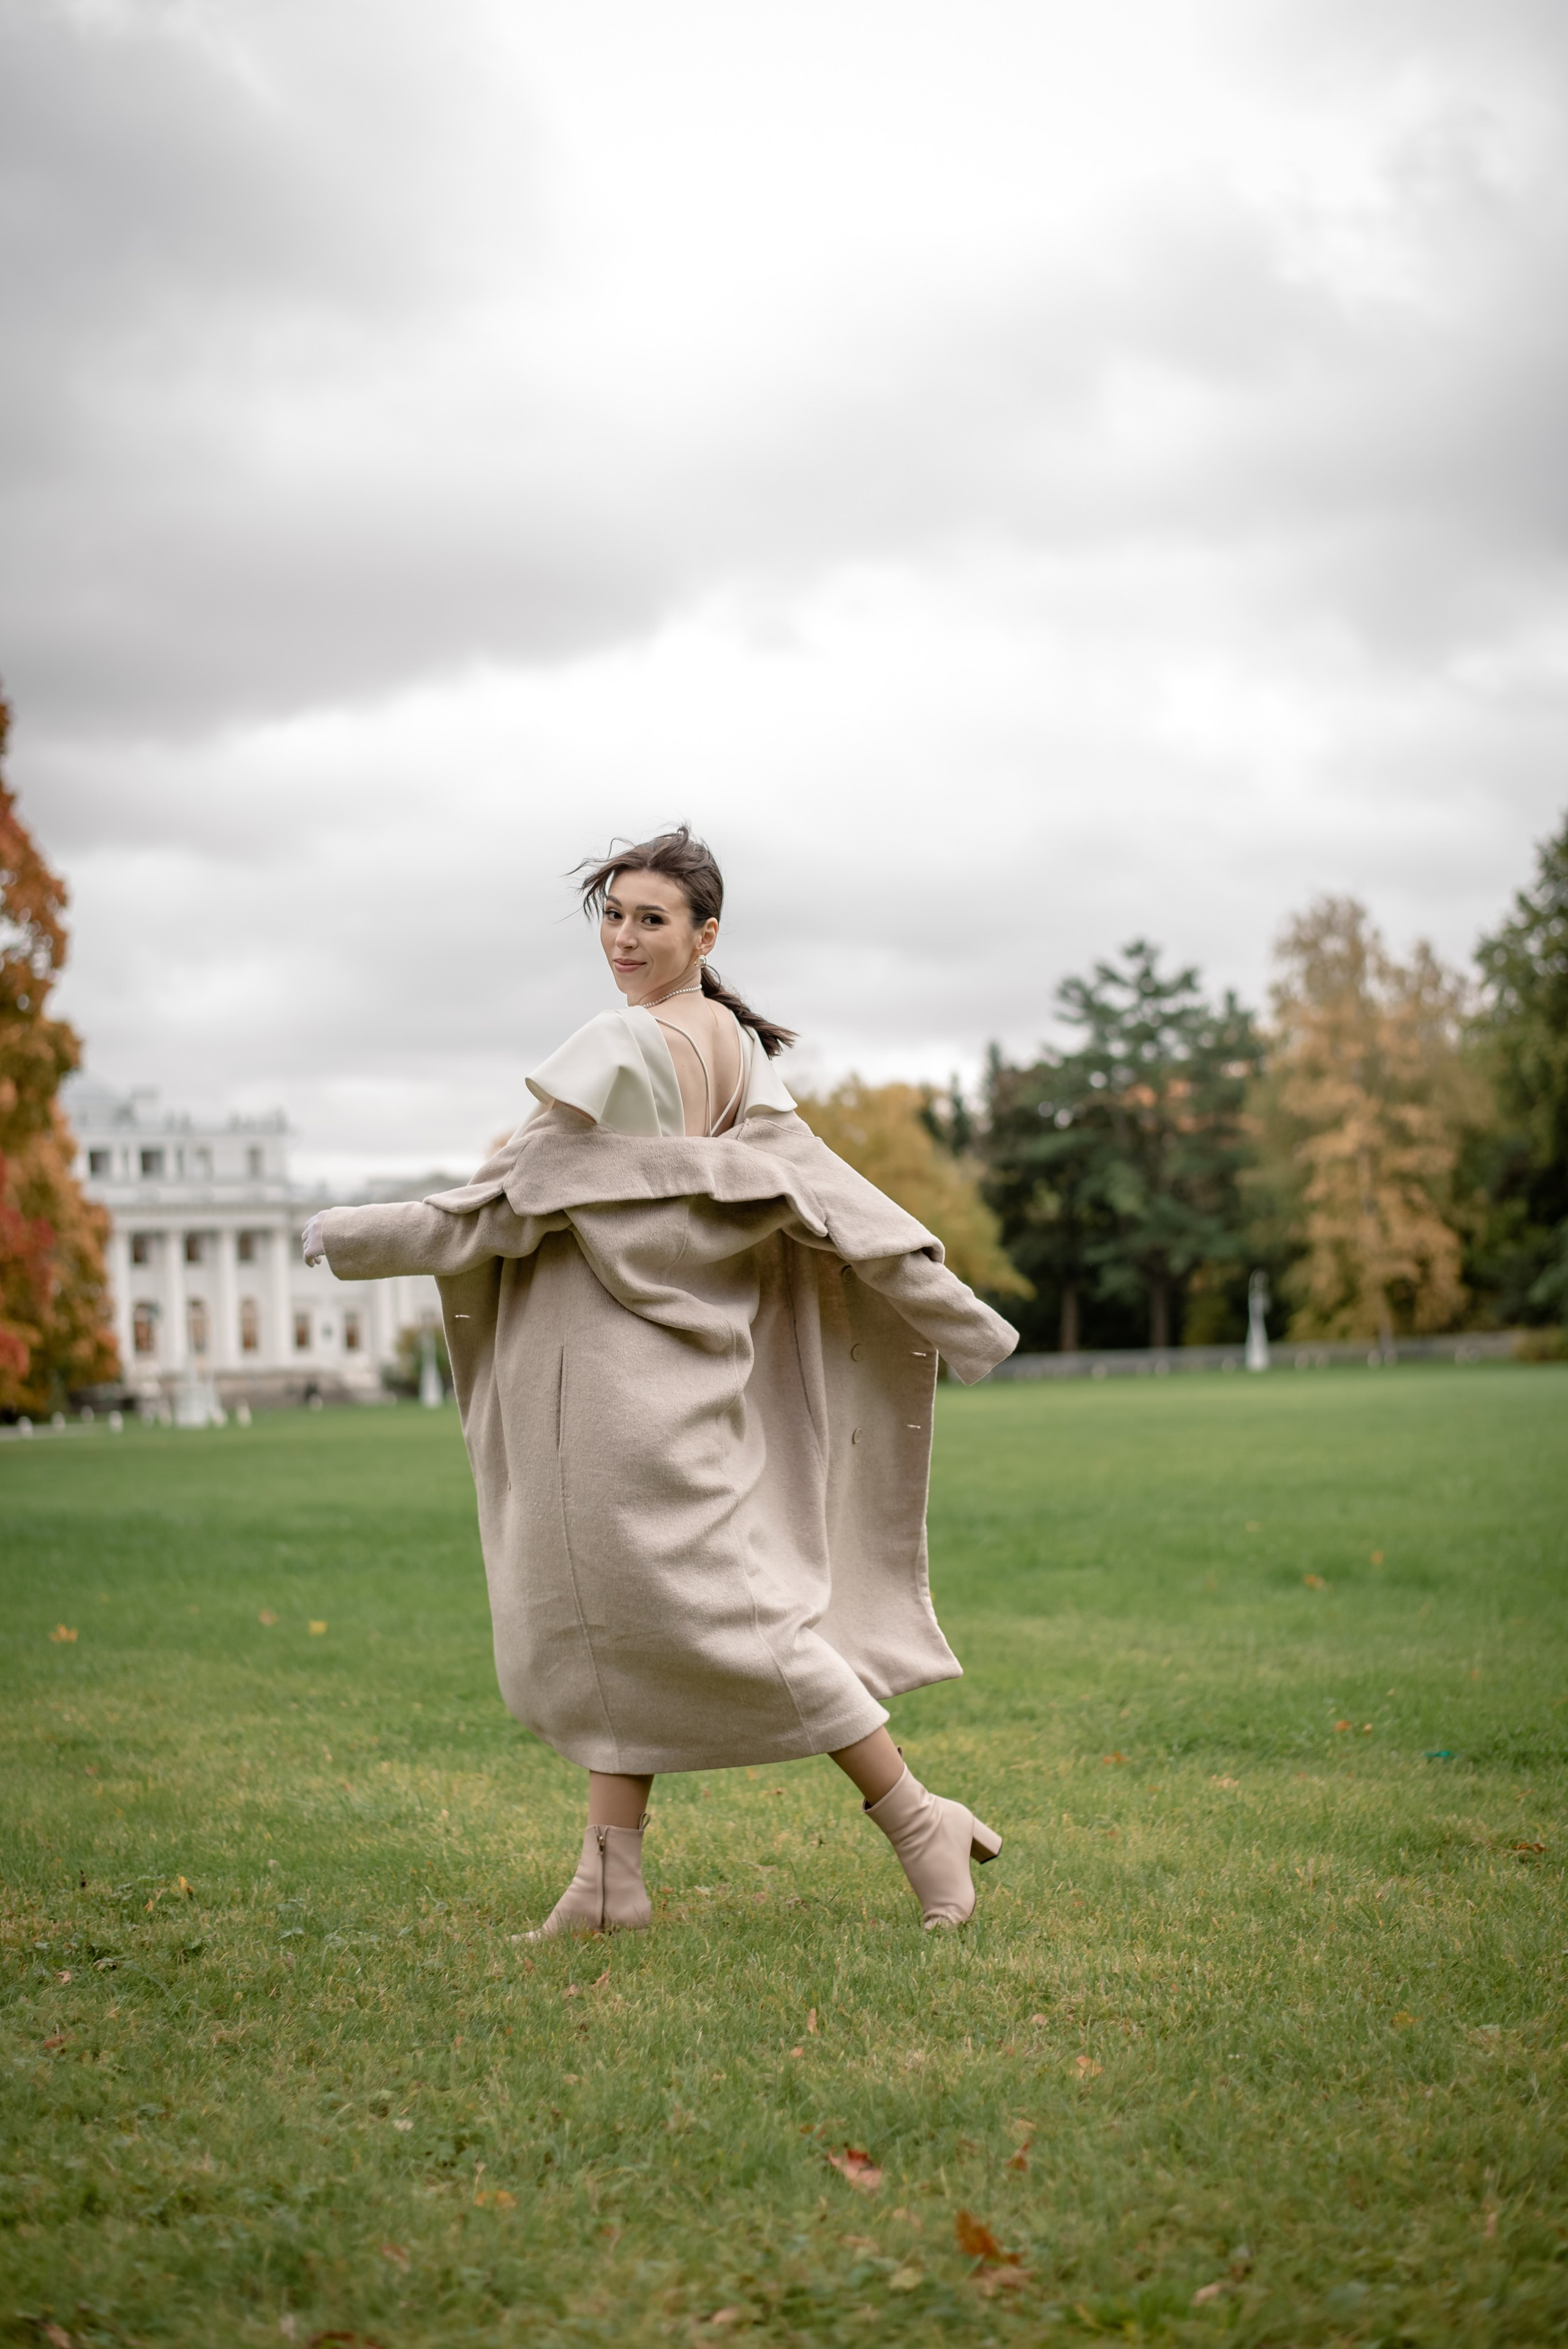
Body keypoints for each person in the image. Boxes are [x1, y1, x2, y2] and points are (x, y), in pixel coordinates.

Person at [303, 828, 1018, 1935]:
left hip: (621, 1393)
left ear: (705, 935)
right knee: (618, 1623)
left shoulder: (621, 1048)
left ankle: (921, 1819)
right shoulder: (736, 1046)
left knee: (733, 1624)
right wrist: (949, 1306)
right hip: (683, 1372)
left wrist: (351, 1235)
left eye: (652, 919)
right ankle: (608, 1880)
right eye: (614, 915)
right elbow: (831, 1195)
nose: (626, 939)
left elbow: (498, 1205)